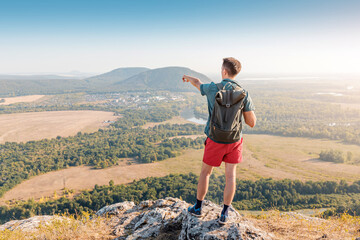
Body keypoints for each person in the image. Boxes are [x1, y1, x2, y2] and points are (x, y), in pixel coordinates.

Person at [182, 57, 256, 224]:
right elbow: (251, 123)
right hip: (234, 141)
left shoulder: (212, 88)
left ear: (224, 71)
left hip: (214, 139)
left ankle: (198, 208)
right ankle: (224, 213)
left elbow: (198, 83)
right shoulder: (244, 93)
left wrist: (188, 78)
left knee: (205, 173)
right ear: (236, 73)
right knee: (230, 176)